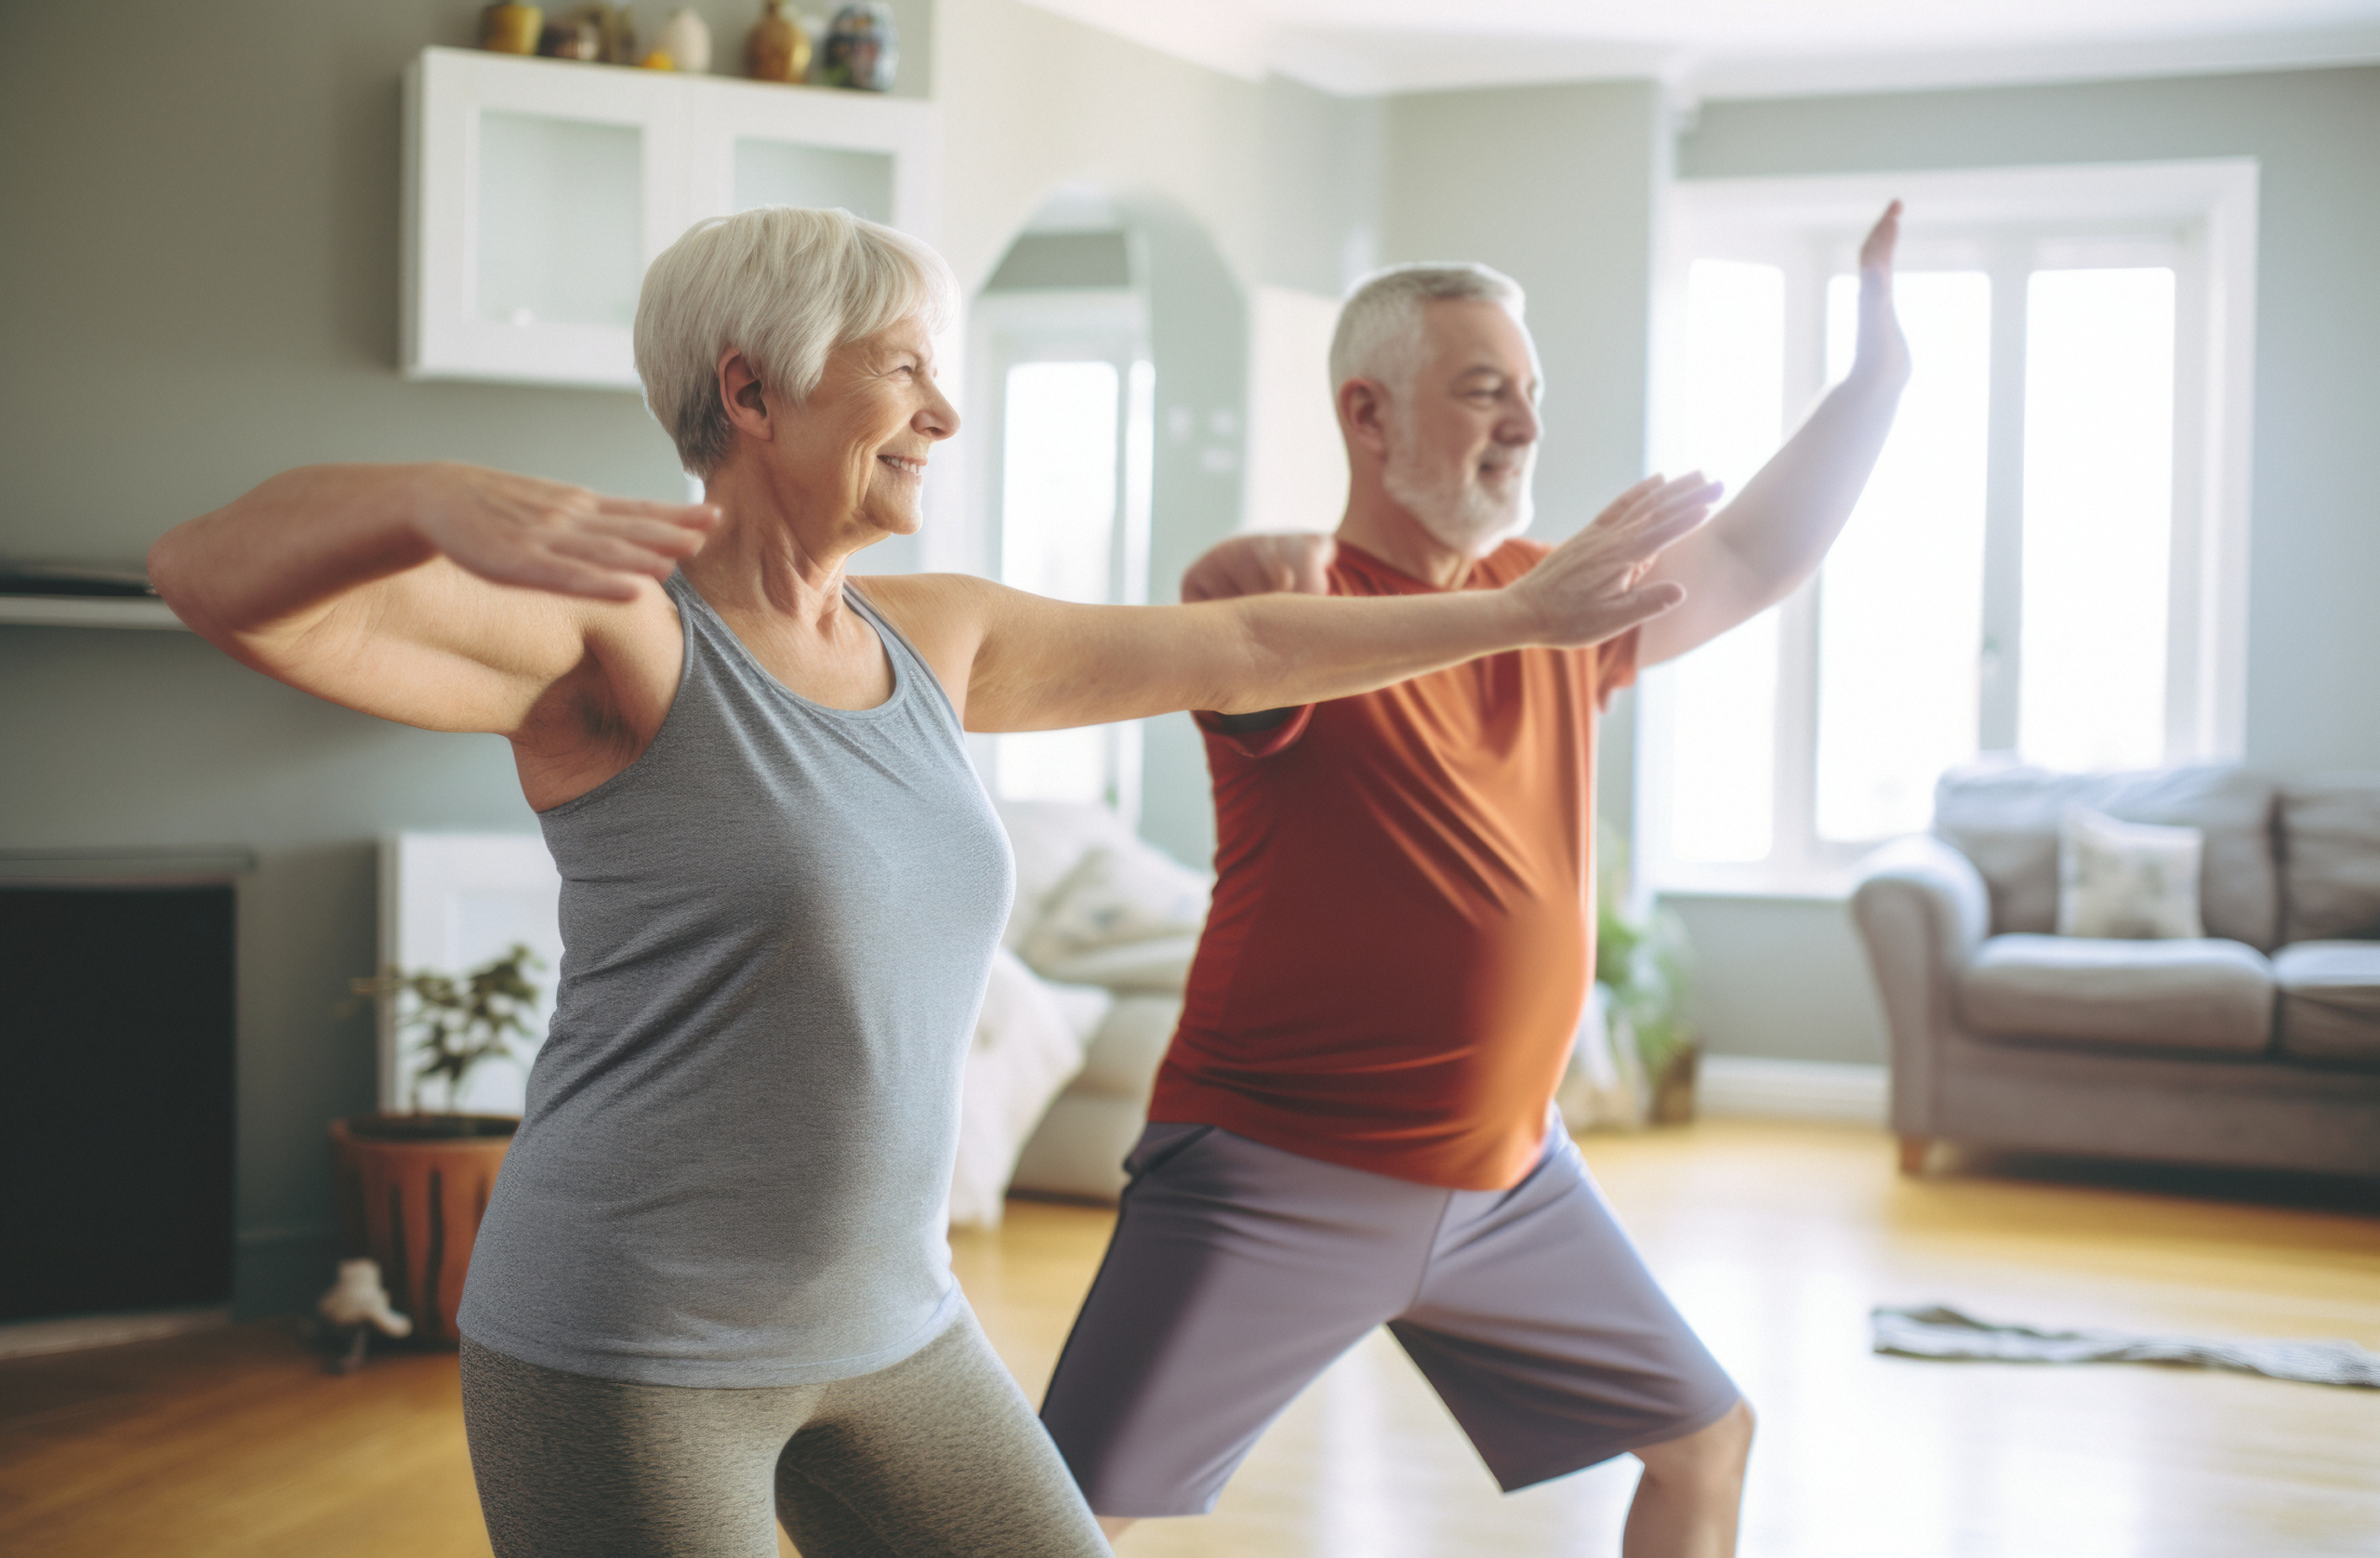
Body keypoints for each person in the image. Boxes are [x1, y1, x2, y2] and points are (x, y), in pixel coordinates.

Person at [146, 205, 1716, 1558]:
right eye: (906, 369)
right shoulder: (625, 638)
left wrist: (1524, 622)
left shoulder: (931, 636)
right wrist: (420, 497)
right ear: (750, 389)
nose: (945, 416)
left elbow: (1240, 648)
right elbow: (205, 576)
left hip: (896, 1332)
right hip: (633, 1345)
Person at [1038, 203, 1911, 1557]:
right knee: (1048, 1524)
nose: (1525, 425)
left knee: (1705, 1440)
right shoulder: (1290, 609)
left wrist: (1876, 380)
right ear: (1368, 415)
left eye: (1534, 396)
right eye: (1485, 391)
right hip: (1279, 1174)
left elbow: (1749, 556)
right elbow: (1244, 635)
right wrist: (1251, 592)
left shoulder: (1558, 602)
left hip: (1513, 1179)